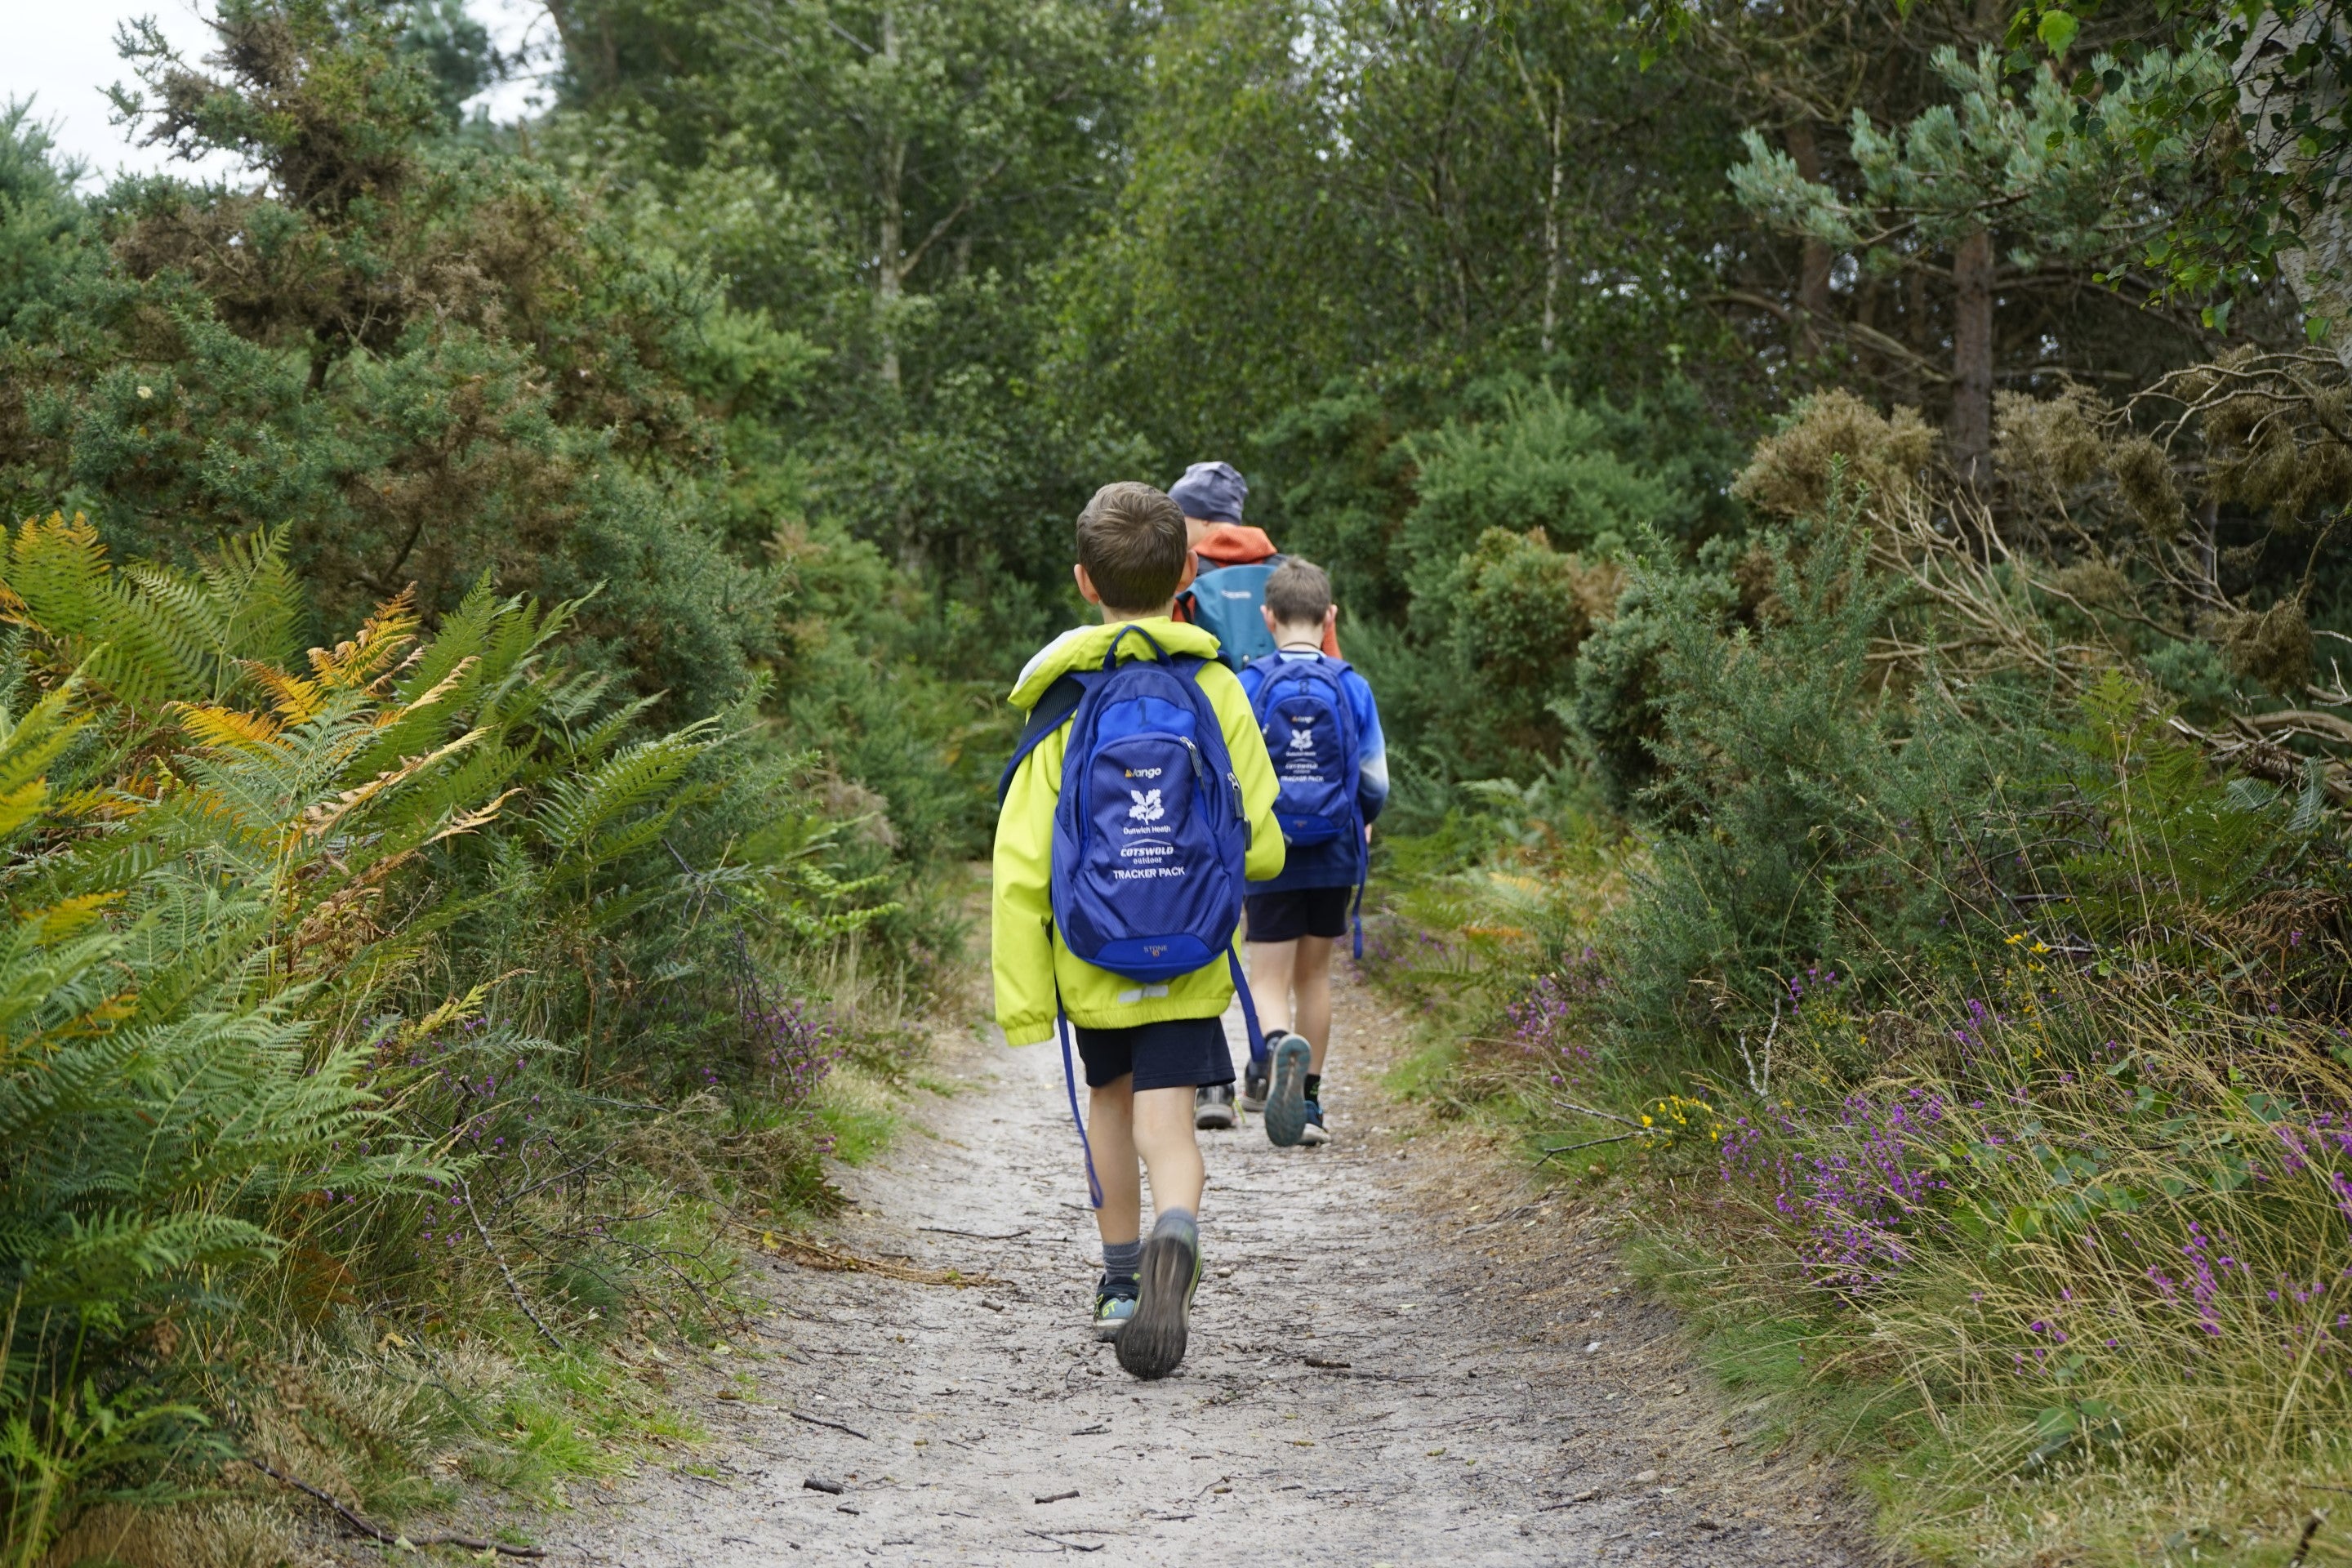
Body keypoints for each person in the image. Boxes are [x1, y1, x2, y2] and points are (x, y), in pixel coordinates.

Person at [992, 481, 1285, 1378]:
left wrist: (1023, 1004)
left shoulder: (1061, 704)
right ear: (1187, 573)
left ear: (1085, 581)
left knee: (1109, 1108)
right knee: (1172, 1123)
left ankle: (1122, 1283)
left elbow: (1021, 871)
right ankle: (1177, 1232)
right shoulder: (1216, 689)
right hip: (1190, 947)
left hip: (1094, 952)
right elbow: (1263, 847)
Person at [1236, 559, 1387, 1148]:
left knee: (1267, 977)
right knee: (1315, 976)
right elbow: (1374, 779)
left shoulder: (1249, 684)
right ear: (1330, 617)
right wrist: (1361, 820)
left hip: (1270, 852)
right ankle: (1313, 1104)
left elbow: (1232, 775)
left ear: (1267, 617)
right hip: (1334, 849)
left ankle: (1275, 1051)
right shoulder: (1351, 685)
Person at [1167, 461, 1341, 680]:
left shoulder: (1183, 581)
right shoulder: (1296, 578)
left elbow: (1169, 674)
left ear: (1203, 519)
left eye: (1180, 516)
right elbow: (1335, 670)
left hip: (1212, 712)